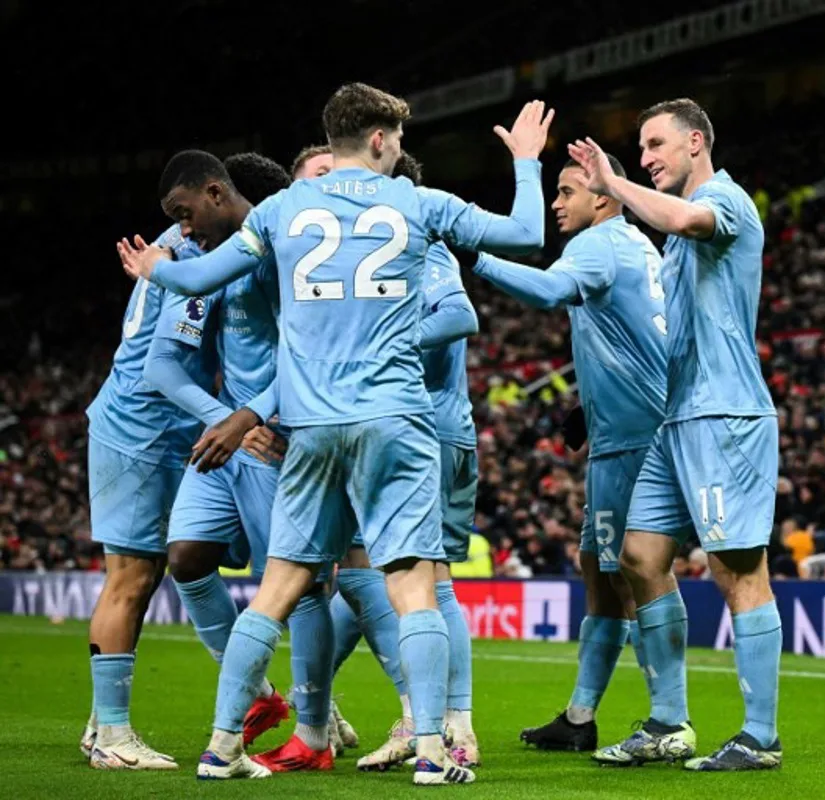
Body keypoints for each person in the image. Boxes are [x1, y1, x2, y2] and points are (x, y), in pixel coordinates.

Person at [118, 84, 552, 785]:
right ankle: (436, 754)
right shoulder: (418, 203)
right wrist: (526, 161)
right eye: (399, 141)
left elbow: (198, 275)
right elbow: (528, 235)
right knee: (414, 586)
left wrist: (155, 270)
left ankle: (222, 746)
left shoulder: (285, 208)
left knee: (277, 590)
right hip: (395, 422)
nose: (400, 151)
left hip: (311, 428)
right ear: (381, 140)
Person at [568, 98, 782, 771]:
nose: (650, 156)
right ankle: (667, 723)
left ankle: (761, 737)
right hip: (676, 418)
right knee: (638, 555)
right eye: (642, 147)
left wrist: (613, 183)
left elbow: (688, 219)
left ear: (696, 142)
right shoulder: (666, 244)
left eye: (657, 144)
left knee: (737, 571)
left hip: (725, 415)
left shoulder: (726, 200)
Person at [143, 150, 349, 773]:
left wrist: (253, 415)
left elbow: (313, 354)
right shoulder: (210, 265)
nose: (182, 231)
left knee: (305, 589)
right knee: (186, 556)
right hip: (231, 438)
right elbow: (161, 365)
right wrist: (224, 419)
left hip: (281, 439)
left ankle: (317, 725)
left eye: (185, 215)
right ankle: (259, 695)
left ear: (214, 193)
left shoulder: (285, 250)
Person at [468, 154, 667, 751]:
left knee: (634, 573)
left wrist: (476, 258)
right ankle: (580, 719)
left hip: (632, 442)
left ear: (604, 199)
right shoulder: (637, 245)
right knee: (600, 573)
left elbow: (553, 290)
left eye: (566, 191)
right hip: (627, 430)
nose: (556, 203)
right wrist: (595, 404)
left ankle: (667, 718)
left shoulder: (598, 244)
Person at [337, 152, 483, 771]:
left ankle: (445, 724)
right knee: (377, 577)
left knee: (421, 578)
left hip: (428, 429)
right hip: (422, 429)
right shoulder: (392, 254)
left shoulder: (425, 248)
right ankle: (433, 719)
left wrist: (387, 340)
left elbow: (459, 315)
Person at [81, 178, 215, 773]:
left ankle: (98, 724)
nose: (186, 228)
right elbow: (166, 365)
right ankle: (112, 735)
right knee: (130, 579)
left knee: (142, 572)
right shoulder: (191, 255)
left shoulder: (174, 247)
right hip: (142, 429)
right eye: (183, 217)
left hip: (139, 425)